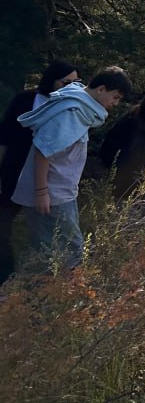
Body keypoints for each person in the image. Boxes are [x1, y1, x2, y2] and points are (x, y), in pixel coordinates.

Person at [11, 66, 132, 272]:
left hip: (62, 191)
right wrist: (41, 192)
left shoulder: (80, 106)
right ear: (101, 89)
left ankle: (46, 295)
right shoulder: (71, 112)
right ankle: (49, 296)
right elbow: (43, 151)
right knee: (68, 249)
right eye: (115, 97)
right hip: (52, 192)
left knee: (57, 247)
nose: (115, 103)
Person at [0, 61, 79, 282]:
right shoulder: (25, 101)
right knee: (2, 233)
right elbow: (4, 138)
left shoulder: (75, 107)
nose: (69, 88)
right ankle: (5, 282)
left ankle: (50, 285)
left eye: (75, 83)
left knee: (47, 238)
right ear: (51, 81)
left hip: (48, 184)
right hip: (13, 175)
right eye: (65, 82)